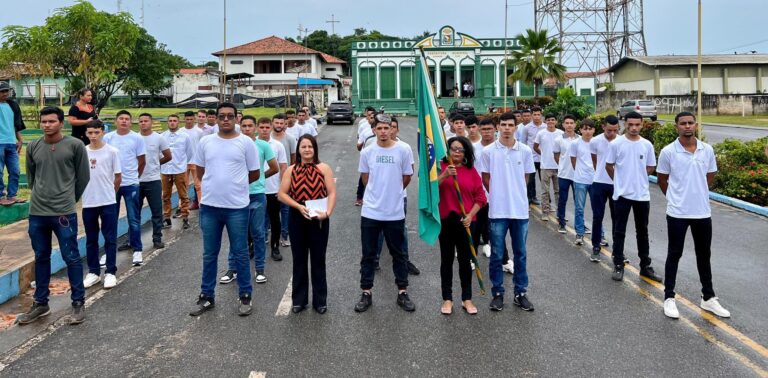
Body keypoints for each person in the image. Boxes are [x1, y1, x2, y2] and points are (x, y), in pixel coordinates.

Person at [17, 106, 89, 325]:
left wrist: (67, 199)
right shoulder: (34, 146)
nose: (47, 125)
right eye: (44, 122)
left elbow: (83, 177)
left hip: (63, 213)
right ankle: (41, 304)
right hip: (38, 212)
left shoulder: (75, 146)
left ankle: (78, 303)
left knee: (71, 257)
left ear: (61, 122)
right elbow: (31, 177)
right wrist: (41, 195)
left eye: (51, 121)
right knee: (41, 257)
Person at [656, 112, 730, 319]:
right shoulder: (668, 151)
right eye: (683, 123)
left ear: (696, 125)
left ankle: (708, 297)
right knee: (674, 254)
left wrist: (697, 193)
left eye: (690, 123)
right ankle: (669, 297)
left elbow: (711, 175)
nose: (687, 126)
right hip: (677, 212)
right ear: (676, 127)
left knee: (704, 254)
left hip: (702, 212)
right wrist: (674, 198)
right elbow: (662, 179)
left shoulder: (707, 150)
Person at [189, 102, 260, 317]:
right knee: (209, 254)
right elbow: (200, 171)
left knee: (240, 253)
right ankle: (207, 296)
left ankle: (245, 295)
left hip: (237, 207)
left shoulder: (246, 143)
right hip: (210, 206)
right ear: (217, 119)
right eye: (222, 116)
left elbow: (254, 172)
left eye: (230, 116)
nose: (226, 119)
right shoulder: (206, 141)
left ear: (237, 119)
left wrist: (236, 186)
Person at [355, 113, 415, 313]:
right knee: (369, 255)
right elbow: (365, 178)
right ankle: (366, 292)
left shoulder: (404, 149)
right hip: (371, 211)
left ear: (392, 129)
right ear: (373, 131)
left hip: (394, 212)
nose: (382, 131)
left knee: (399, 254)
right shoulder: (367, 152)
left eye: (386, 128)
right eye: (379, 128)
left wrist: (393, 192)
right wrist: (376, 194)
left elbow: (407, 176)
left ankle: (403, 291)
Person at [479, 111, 536, 312]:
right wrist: (498, 194)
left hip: (520, 211)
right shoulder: (487, 151)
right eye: (503, 125)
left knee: (520, 254)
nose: (506, 128)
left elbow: (526, 178)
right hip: (497, 211)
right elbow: (485, 178)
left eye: (510, 125)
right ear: (498, 127)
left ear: (516, 127)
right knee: (497, 254)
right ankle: (497, 293)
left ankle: (520, 293)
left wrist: (515, 194)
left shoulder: (525, 151)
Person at [278, 135, 336, 314]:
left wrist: (327, 213)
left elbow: (332, 193)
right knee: (299, 260)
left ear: (315, 148)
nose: (307, 150)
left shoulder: (323, 168)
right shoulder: (291, 170)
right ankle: (299, 300)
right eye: (303, 147)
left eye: (310, 146)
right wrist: (298, 206)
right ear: (299, 149)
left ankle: (320, 301)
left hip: (318, 219)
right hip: (297, 217)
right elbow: (282, 194)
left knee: (318, 260)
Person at [219, 116, 278, 285]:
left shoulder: (263, 145)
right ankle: (233, 269)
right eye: (243, 126)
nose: (246, 129)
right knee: (236, 234)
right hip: (236, 195)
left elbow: (274, 167)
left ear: (256, 128)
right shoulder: (233, 145)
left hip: (257, 195)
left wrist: (259, 178)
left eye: (250, 126)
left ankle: (259, 269)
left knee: (258, 233)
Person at [605, 111, 662, 283]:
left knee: (642, 232)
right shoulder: (616, 144)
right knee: (619, 231)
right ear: (625, 124)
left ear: (642, 124)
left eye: (637, 125)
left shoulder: (647, 145)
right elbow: (609, 165)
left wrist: (639, 178)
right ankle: (618, 264)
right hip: (622, 195)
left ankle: (645, 266)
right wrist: (619, 181)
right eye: (630, 124)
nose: (634, 128)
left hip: (642, 196)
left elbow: (651, 166)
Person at [437, 136, 486, 315]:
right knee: (447, 260)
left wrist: (471, 215)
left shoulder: (471, 171)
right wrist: (444, 175)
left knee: (466, 261)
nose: (456, 152)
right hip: (446, 221)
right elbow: (429, 189)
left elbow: (481, 198)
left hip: (466, 222)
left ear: (466, 153)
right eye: (453, 149)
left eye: (460, 149)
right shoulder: (440, 168)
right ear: (447, 151)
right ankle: (447, 299)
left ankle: (467, 298)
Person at [81, 120, 121, 290]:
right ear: (86, 133)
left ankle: (110, 272)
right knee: (91, 239)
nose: (93, 136)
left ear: (102, 132)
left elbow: (117, 177)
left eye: (96, 132)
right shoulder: (82, 152)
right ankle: (94, 272)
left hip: (107, 201)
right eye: (90, 133)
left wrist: (110, 193)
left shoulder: (112, 151)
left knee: (110, 238)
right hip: (88, 201)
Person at [104, 110, 146, 264]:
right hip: (112, 185)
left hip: (131, 184)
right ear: (116, 121)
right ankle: (109, 252)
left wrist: (135, 177)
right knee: (110, 219)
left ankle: (137, 249)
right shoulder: (108, 138)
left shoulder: (137, 138)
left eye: (127, 119)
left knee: (133, 218)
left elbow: (142, 161)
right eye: (121, 118)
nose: (124, 121)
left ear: (131, 121)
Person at [138, 113, 172, 253]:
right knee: (134, 212)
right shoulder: (135, 138)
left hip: (153, 180)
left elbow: (168, 156)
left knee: (156, 211)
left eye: (146, 121)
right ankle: (131, 240)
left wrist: (155, 164)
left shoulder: (159, 138)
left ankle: (157, 238)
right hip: (136, 181)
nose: (143, 123)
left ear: (151, 122)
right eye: (141, 121)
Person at [261, 115, 289, 262]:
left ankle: (275, 246)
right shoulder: (252, 144)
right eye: (262, 127)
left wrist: (282, 187)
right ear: (257, 128)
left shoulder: (278, 145)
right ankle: (253, 246)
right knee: (255, 221)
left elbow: (283, 166)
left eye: (267, 127)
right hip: (256, 190)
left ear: (270, 128)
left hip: (273, 189)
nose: (264, 130)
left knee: (275, 220)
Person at [589, 115, 619, 258]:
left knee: (617, 218)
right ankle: (595, 246)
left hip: (616, 184)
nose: (612, 133)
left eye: (614, 130)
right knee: (597, 216)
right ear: (603, 127)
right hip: (599, 183)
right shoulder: (595, 141)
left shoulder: (621, 141)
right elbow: (595, 160)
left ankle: (618, 250)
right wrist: (600, 174)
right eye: (609, 131)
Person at [161, 114, 193, 230]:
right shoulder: (162, 136)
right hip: (165, 169)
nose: (172, 123)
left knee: (183, 195)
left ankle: (185, 217)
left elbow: (189, 153)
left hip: (179, 169)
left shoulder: (185, 136)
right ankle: (166, 218)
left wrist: (182, 164)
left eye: (174, 121)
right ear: (167, 122)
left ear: (178, 122)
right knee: (165, 195)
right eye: (170, 121)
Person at [569, 119, 596, 249]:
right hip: (580, 180)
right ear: (580, 130)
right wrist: (580, 173)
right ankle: (579, 233)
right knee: (579, 208)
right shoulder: (575, 144)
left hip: (596, 181)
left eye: (590, 128)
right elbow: (573, 160)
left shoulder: (598, 143)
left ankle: (599, 235)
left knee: (597, 210)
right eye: (585, 129)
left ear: (594, 130)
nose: (587, 131)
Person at [472, 118, 496, 260]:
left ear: (495, 129)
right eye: (484, 129)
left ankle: (502, 259)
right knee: (476, 228)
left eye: (489, 129)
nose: (487, 132)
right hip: (478, 195)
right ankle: (472, 257)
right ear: (480, 130)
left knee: (496, 229)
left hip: (496, 194)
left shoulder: (500, 147)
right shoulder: (473, 148)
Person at [533, 113, 563, 218]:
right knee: (545, 191)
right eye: (548, 120)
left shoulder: (561, 133)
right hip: (545, 166)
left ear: (556, 122)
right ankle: (545, 212)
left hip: (559, 167)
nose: (550, 122)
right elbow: (535, 146)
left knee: (558, 191)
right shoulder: (541, 133)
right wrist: (543, 154)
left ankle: (560, 213)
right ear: (545, 121)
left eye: (553, 120)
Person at [0, 81, 25, 206]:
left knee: (15, 170)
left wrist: (19, 139)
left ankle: (12, 195)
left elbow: (16, 124)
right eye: (2, 91)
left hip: (11, 142)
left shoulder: (13, 105)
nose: (5, 93)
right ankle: (0, 196)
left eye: (7, 91)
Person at [553, 114, 579, 232]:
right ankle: (561, 222)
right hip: (563, 175)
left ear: (575, 124)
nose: (569, 125)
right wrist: (563, 165)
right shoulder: (558, 139)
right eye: (567, 123)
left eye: (571, 123)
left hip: (578, 176)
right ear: (563, 125)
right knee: (562, 200)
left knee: (578, 202)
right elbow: (556, 155)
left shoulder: (580, 139)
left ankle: (580, 224)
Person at [520, 107, 544, 205]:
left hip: (543, 158)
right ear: (532, 115)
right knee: (531, 180)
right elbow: (523, 142)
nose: (537, 116)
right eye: (535, 114)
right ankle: (531, 197)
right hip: (531, 158)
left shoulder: (546, 127)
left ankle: (547, 199)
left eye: (538, 114)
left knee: (544, 180)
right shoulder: (527, 128)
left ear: (541, 115)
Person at [355, 108, 376, 206]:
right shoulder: (364, 128)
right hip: (366, 157)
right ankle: (359, 197)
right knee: (363, 177)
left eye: (374, 117)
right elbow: (359, 144)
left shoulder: (382, 131)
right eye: (370, 117)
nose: (372, 119)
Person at [183, 111, 203, 210]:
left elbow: (202, 147)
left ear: (194, 119)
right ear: (184, 119)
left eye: (191, 119)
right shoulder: (181, 131)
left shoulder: (199, 131)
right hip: (183, 162)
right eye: (187, 119)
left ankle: (201, 205)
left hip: (196, 161)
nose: (189, 121)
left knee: (198, 185)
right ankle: (183, 207)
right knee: (184, 185)